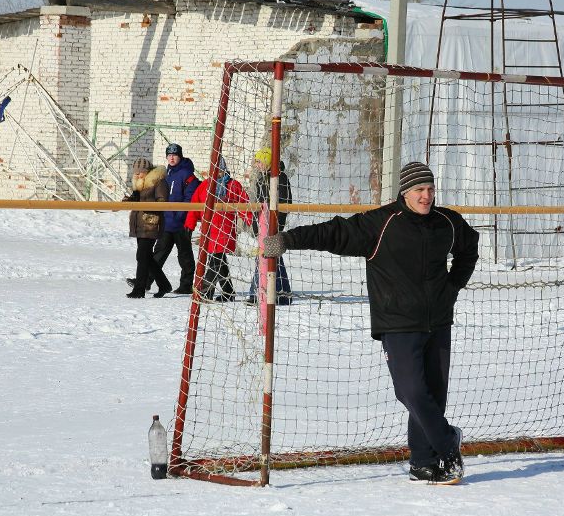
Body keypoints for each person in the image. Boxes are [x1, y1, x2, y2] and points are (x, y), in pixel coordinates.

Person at [262, 161, 479, 484]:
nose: (426, 196)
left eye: (430, 189)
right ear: (405, 192)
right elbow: (332, 233)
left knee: (433, 396)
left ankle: (422, 462)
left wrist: (451, 287)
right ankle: (448, 443)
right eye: (420, 190)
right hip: (398, 324)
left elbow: (469, 249)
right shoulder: (381, 223)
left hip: (438, 321)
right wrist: (287, 240)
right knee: (412, 392)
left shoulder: (447, 222)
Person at [184, 157, 252, 302]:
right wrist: (189, 224)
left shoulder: (233, 185)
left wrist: (250, 219)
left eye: (220, 170)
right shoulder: (205, 186)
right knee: (219, 261)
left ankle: (205, 292)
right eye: (214, 170)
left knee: (215, 261)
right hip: (208, 230)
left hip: (225, 230)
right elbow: (195, 204)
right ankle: (228, 292)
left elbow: (243, 202)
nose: (217, 173)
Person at [150, 143, 200, 295]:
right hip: (167, 222)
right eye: (169, 155)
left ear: (180, 156)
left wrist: (180, 217)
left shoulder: (187, 174)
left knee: (184, 256)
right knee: (158, 253)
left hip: (181, 223)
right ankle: (145, 281)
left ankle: (185, 285)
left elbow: (189, 198)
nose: (171, 158)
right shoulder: (167, 174)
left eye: (175, 155)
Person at [247, 147, 293, 305]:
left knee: (266, 256)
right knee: (272, 257)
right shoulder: (261, 179)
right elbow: (259, 204)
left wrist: (276, 223)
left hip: (273, 224)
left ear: (267, 161)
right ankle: (283, 293)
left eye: (259, 161)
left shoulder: (281, 178)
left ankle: (256, 293)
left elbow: (285, 202)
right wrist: (256, 224)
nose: (257, 165)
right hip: (263, 224)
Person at [124, 158, 173, 298]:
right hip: (140, 223)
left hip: (151, 223)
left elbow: (162, 202)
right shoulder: (140, 183)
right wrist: (131, 200)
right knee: (145, 256)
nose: (138, 175)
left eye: (140, 173)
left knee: (142, 256)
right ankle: (164, 285)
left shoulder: (158, 181)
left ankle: (139, 289)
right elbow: (140, 200)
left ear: (148, 171)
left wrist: (142, 205)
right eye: (136, 173)